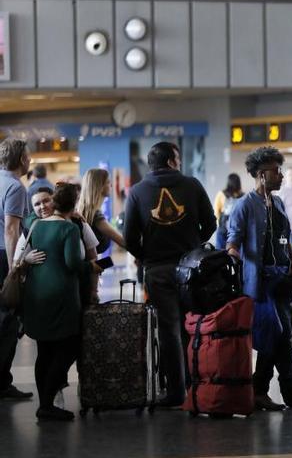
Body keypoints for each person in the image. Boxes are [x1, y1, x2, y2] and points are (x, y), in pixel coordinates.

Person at [226, 147, 292, 412]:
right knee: (278, 333)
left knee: (284, 333)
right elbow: (233, 241)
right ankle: (281, 391)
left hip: (283, 279)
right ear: (261, 174)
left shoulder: (278, 203)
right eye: (276, 171)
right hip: (261, 282)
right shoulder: (244, 206)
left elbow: (287, 239)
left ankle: (270, 391)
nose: (281, 175)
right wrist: (231, 261)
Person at [123, 141, 216, 407]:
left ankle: (176, 392)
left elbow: (129, 237)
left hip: (157, 270)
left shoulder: (137, 192)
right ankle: (197, 385)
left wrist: (146, 255)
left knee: (169, 331)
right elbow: (211, 223)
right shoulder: (193, 185)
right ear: (173, 161)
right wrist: (192, 248)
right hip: (191, 270)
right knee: (193, 327)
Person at [19, 183, 101, 421]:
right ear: (74, 206)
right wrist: (92, 266)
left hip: (37, 295)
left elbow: (30, 226)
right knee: (69, 348)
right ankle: (46, 403)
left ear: (53, 202)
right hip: (61, 297)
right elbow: (73, 263)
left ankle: (45, 403)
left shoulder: (34, 224)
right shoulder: (69, 228)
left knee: (44, 352)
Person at [0, 138, 32, 401]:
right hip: (3, 256)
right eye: (28, 156)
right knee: (8, 322)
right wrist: (14, 268)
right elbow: (11, 229)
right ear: (22, 159)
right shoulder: (15, 187)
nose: (30, 160)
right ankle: (2, 383)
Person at [77, 168, 126, 254]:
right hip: (90, 265)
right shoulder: (95, 215)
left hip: (88, 264)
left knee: (108, 263)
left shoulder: (84, 209)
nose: (111, 185)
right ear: (99, 186)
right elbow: (122, 241)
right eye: (108, 182)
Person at [213, 173, 243, 250]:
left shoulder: (221, 194)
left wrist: (219, 225)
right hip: (238, 229)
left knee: (220, 253)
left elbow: (216, 212)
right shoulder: (242, 196)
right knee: (236, 253)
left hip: (223, 228)